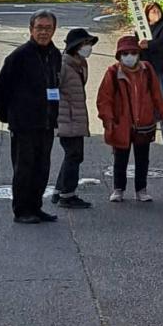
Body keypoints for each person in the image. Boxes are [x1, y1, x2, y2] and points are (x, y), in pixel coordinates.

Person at [0, 9, 63, 224]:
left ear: (54, 30)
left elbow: (56, 86)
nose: (43, 32)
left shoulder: (55, 54)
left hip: (47, 122)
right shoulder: (19, 56)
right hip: (23, 124)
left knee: (42, 168)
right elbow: (1, 87)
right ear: (31, 29)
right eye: (39, 28)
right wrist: (7, 116)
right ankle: (22, 210)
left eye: (48, 28)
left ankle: (36, 207)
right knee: (24, 168)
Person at [96, 34, 163, 202]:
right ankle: (118, 189)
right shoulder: (113, 72)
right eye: (125, 53)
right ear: (119, 56)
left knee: (143, 158)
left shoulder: (147, 69)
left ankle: (141, 189)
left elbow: (157, 93)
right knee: (120, 157)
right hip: (122, 122)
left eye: (133, 52)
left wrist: (161, 113)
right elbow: (104, 99)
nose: (129, 57)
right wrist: (108, 120)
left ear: (138, 53)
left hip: (144, 122)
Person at [53, 27, 98, 210]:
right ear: (76, 46)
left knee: (72, 155)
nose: (88, 47)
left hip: (76, 117)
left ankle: (59, 191)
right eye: (85, 44)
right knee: (74, 155)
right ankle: (67, 195)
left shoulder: (80, 64)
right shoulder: (64, 65)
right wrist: (55, 112)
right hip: (66, 118)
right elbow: (52, 90)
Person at [139, 2, 163, 103]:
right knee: (145, 94)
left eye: (158, 11)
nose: (156, 13)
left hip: (159, 65)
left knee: (160, 94)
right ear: (147, 13)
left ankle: (161, 117)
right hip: (145, 65)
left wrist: (148, 45)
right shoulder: (141, 27)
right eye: (153, 11)